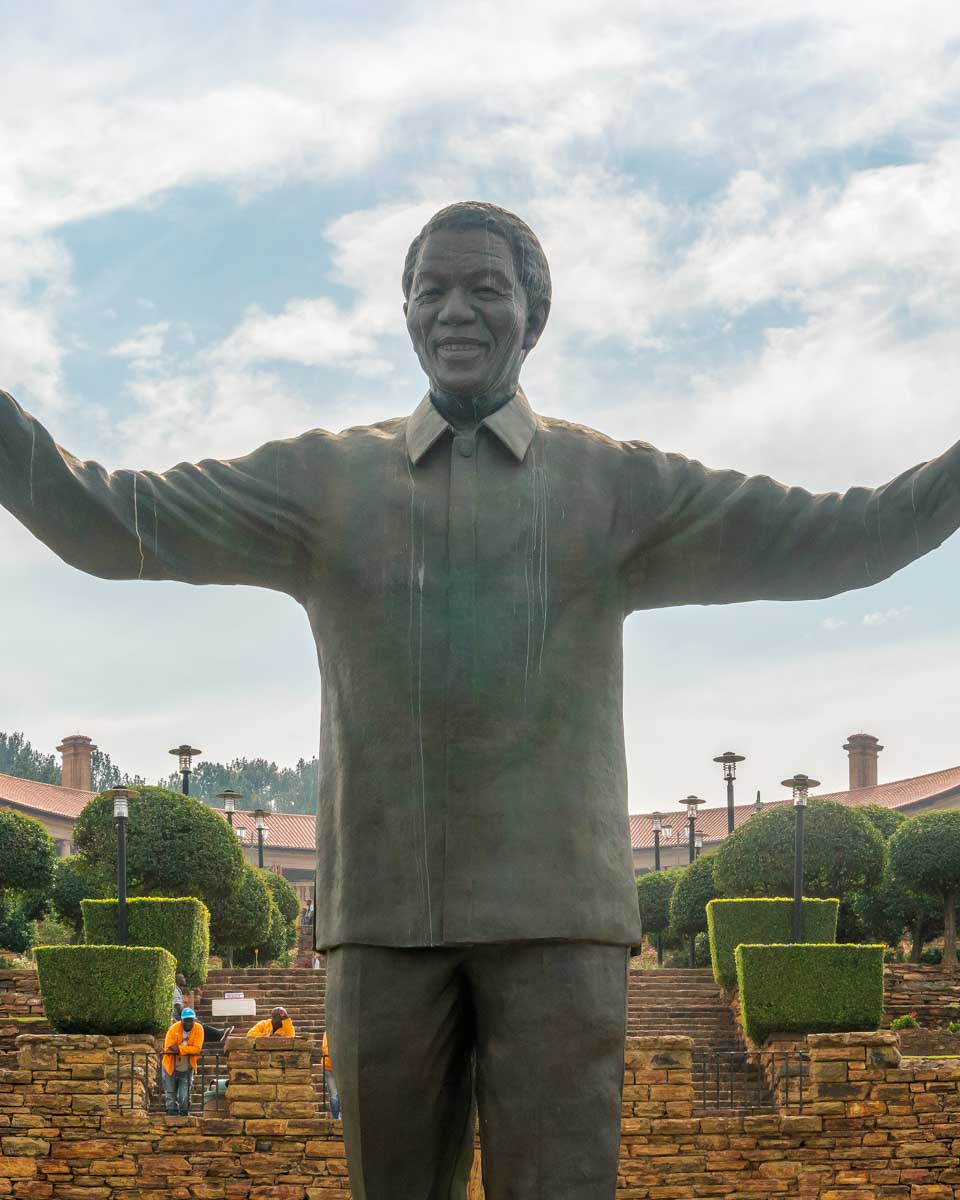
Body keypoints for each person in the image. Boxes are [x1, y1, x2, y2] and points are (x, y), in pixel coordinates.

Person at [4, 200, 960, 1197]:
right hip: (381, 917)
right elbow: (109, 521)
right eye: (433, 290)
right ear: (407, 315)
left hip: (557, 920)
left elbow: (843, 535)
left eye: (485, 289)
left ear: (531, 317)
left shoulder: (612, 484)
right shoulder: (325, 482)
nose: (455, 310)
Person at [161, 1007, 204, 1117]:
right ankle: (171, 1113)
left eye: (191, 1020)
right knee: (170, 1092)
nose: (189, 1022)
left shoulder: (199, 1029)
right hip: (170, 1065)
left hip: (187, 1066)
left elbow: (197, 1049)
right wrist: (188, 1049)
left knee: (184, 1094)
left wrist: (179, 1049)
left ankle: (184, 1113)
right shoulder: (173, 1028)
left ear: (194, 1020)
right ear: (182, 1020)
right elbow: (168, 1048)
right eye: (186, 1020)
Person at [322, 1029, 339, 1121]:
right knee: (334, 1095)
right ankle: (336, 1118)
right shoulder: (328, 1033)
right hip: (330, 1067)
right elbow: (326, 1049)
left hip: (343, 1067)